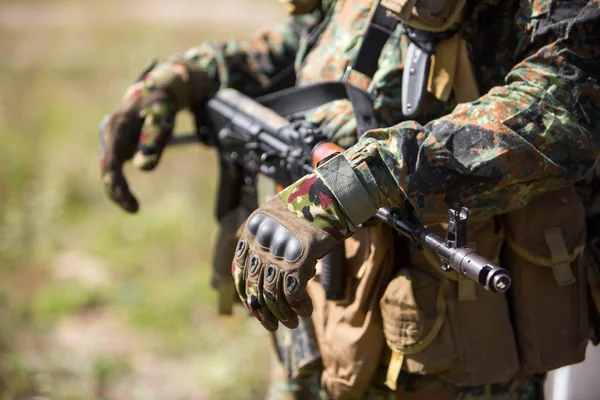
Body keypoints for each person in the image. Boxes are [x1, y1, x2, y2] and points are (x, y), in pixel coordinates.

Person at [99, 0, 600, 399]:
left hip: (450, 334)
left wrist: (359, 180)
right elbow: (322, 36)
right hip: (318, 300)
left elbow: (570, 96)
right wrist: (197, 71)